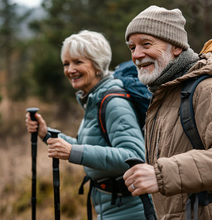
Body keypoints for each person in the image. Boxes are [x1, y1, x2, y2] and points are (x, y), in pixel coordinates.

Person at [122, 5, 212, 219]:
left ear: (176, 47)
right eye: (132, 47)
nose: (137, 55)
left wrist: (160, 175)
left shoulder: (209, 88)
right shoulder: (164, 96)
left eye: (146, 44)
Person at [26, 30, 147, 219]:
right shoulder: (94, 100)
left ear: (97, 64)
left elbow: (134, 156)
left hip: (131, 210)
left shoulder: (114, 102)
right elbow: (93, 146)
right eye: (66, 64)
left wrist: (72, 152)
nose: (70, 70)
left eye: (78, 62)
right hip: (112, 206)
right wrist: (45, 133)